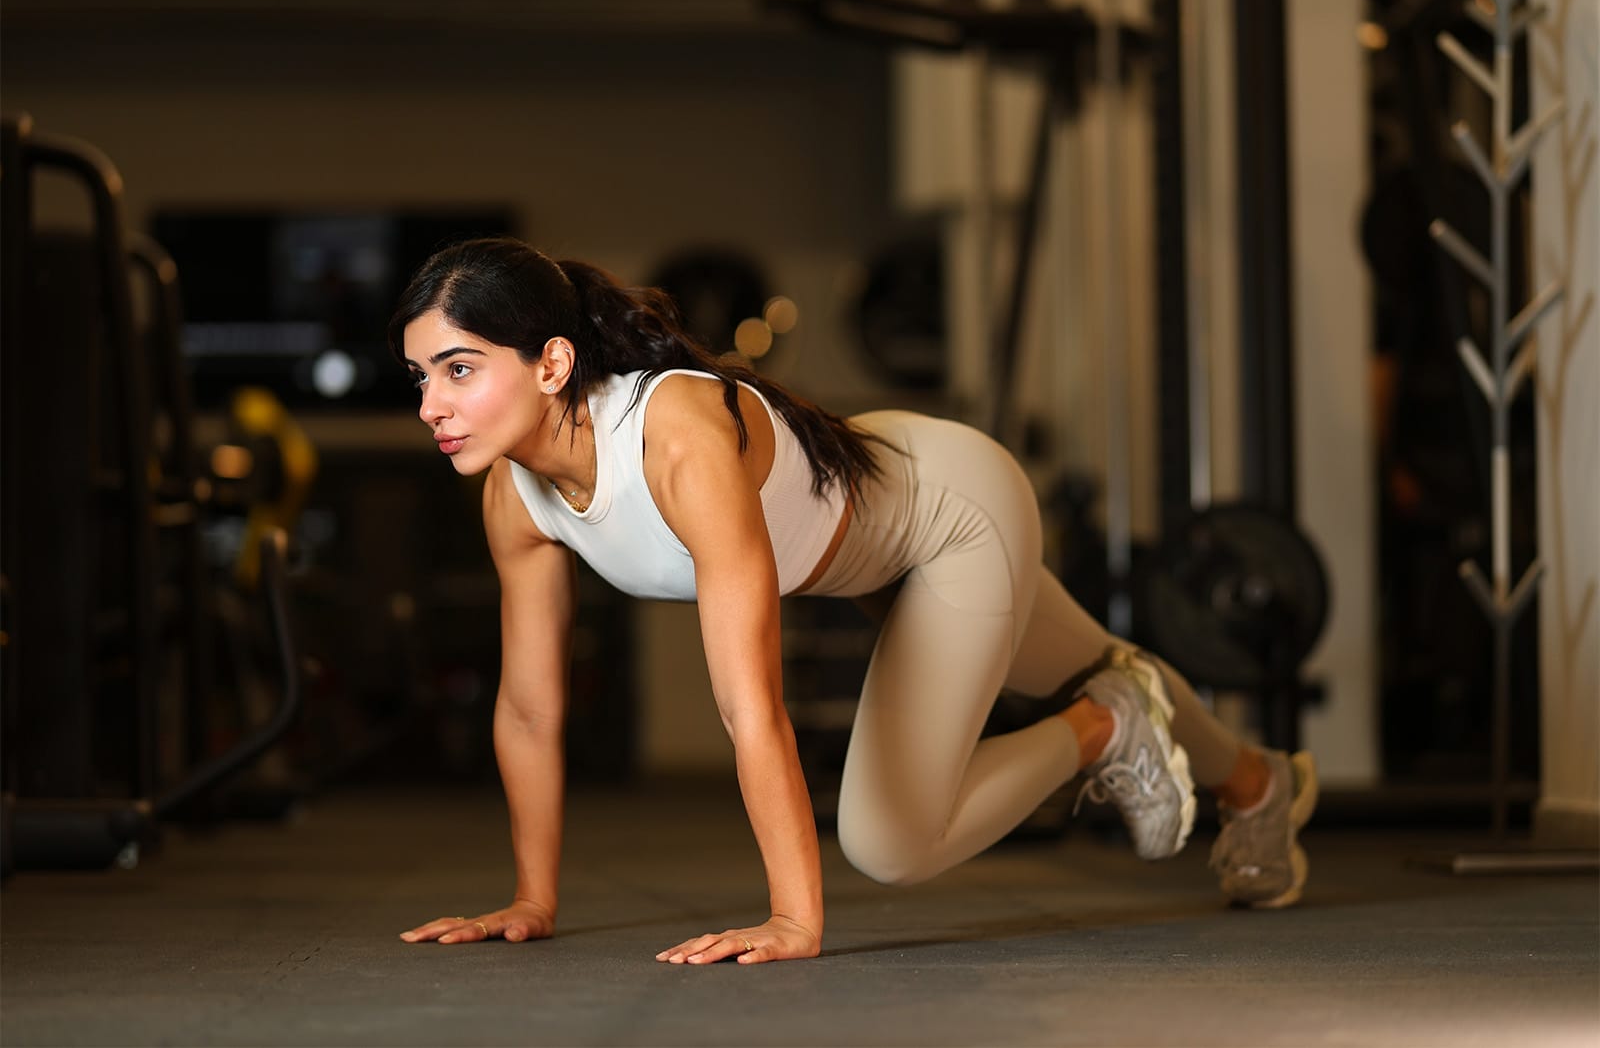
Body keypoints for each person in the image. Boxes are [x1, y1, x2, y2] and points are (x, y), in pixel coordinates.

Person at [390, 238, 1318, 965]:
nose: (432, 403)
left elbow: (748, 702)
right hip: (875, 544)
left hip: (949, 514)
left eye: (460, 368)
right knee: (1085, 654)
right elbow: (528, 707)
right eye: (422, 375)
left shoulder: (674, 438)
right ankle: (1262, 787)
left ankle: (1105, 727)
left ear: (552, 363)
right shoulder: (514, 497)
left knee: (891, 840)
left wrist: (795, 916)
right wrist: (531, 900)